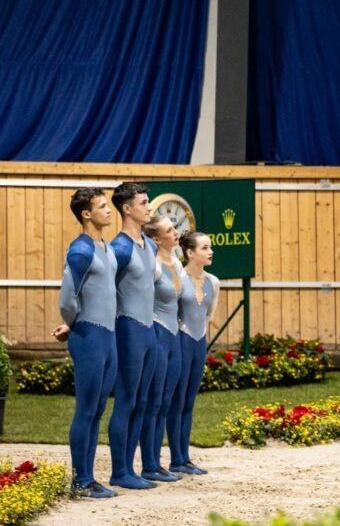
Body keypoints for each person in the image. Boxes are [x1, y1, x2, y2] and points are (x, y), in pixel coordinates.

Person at [55, 188, 119, 499]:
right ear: (86, 214)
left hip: (107, 336)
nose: (108, 210)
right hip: (89, 336)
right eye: (102, 206)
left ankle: (89, 477)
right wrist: (72, 323)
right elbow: (67, 298)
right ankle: (80, 480)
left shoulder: (105, 247)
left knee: (97, 410)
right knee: (86, 409)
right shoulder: (80, 251)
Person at [107, 182, 159, 490]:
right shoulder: (120, 248)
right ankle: (119, 471)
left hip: (148, 330)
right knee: (126, 401)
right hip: (128, 330)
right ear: (127, 209)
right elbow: (103, 290)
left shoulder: (150, 245)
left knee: (141, 400)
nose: (148, 207)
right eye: (143, 202)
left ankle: (130, 468)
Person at [168, 231, 219, 475]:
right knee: (176, 400)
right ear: (190, 252)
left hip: (199, 342)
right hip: (181, 340)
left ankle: (185, 458)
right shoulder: (178, 278)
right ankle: (176, 458)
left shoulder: (213, 282)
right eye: (204, 248)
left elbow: (209, 315)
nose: (210, 251)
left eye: (210, 247)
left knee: (189, 401)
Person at [138, 215, 184, 483]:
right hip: (157, 333)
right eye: (169, 230)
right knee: (153, 402)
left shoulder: (176, 262)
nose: (175, 232)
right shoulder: (152, 266)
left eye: (174, 228)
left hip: (174, 336)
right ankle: (148, 464)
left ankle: (157, 462)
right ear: (156, 239)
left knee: (165, 402)